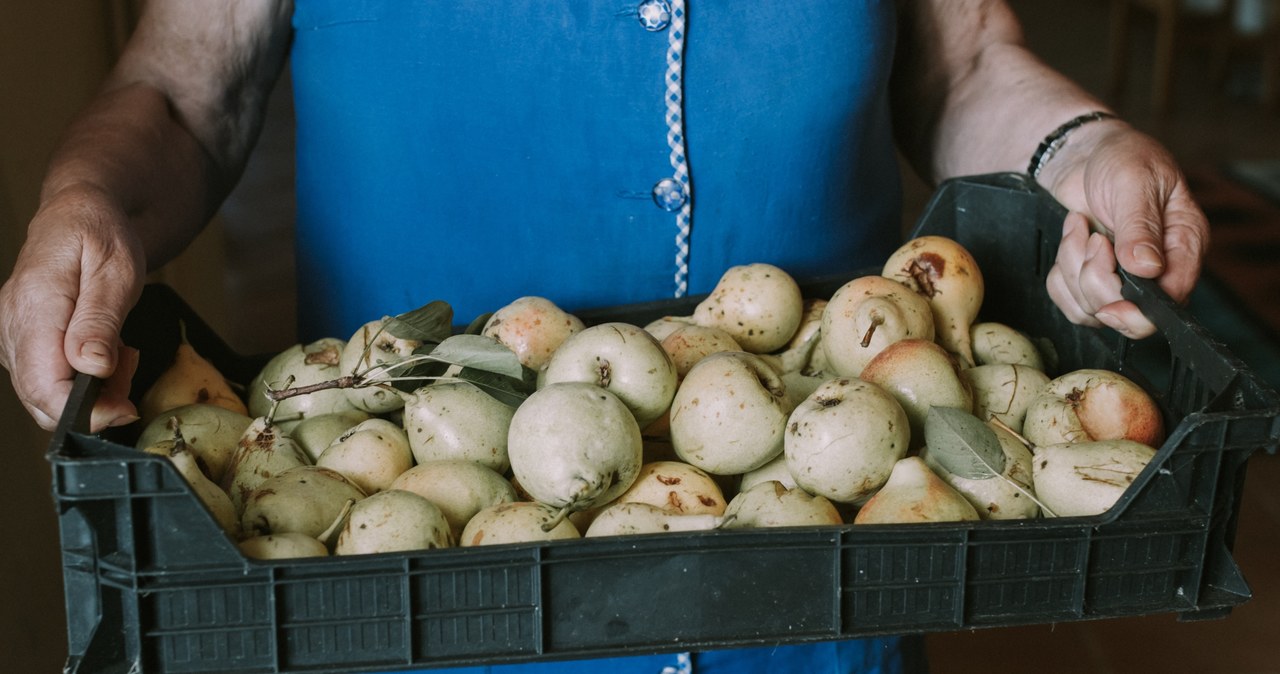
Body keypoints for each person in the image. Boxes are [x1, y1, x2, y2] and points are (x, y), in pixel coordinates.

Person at [0, 1, 1208, 672]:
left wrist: (1076, 148)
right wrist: (84, 204)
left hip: (813, 555)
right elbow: (182, 89)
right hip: (415, 576)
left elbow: (964, 63)